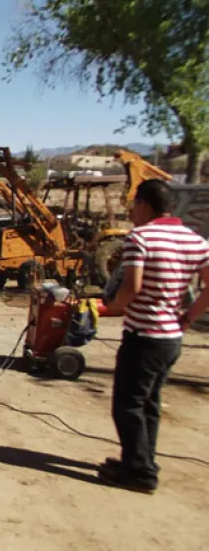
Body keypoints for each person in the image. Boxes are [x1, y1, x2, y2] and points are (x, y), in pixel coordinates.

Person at [100, 179, 209, 494]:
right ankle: (139, 460)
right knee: (149, 403)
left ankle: (140, 472)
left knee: (128, 405)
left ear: (145, 204)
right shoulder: (195, 240)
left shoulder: (141, 238)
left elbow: (131, 288)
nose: (132, 211)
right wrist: (188, 317)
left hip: (143, 335)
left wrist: (113, 307)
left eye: (134, 204)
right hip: (170, 338)